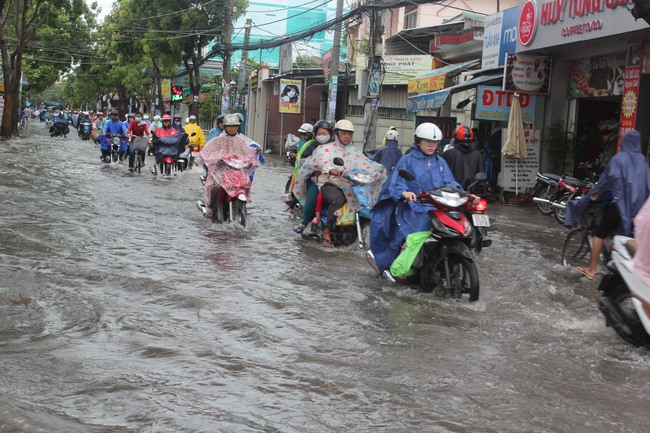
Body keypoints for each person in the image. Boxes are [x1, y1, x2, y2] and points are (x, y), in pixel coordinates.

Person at [368, 122, 467, 281]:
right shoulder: (407, 160)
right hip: (412, 206)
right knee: (411, 229)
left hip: (437, 206)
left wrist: (464, 194)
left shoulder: (440, 162)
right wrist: (404, 193)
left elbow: (451, 183)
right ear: (418, 141)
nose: (431, 145)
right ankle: (397, 265)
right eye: (428, 142)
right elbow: (396, 183)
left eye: (434, 142)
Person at [569, 130, 650, 280]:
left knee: (600, 234)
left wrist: (593, 195)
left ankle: (592, 269)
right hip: (640, 212)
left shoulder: (619, 159)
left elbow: (605, 181)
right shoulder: (643, 162)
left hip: (620, 206)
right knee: (632, 241)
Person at [294, 119, 385, 247]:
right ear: (336, 134)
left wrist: (378, 171)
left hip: (348, 184)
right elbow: (322, 161)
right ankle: (327, 231)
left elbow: (364, 164)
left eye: (349, 134)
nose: (347, 136)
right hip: (329, 183)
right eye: (344, 133)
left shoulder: (354, 151)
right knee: (339, 199)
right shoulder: (325, 149)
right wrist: (331, 169)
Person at [199, 113, 261, 218]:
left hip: (235, 171)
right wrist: (215, 160)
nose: (233, 129)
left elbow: (247, 153)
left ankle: (241, 208)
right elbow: (206, 153)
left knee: (246, 183)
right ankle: (211, 208)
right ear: (225, 127)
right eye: (230, 126)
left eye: (235, 126)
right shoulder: (217, 141)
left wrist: (252, 159)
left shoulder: (241, 141)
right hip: (220, 170)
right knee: (216, 187)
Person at [290, 120, 332, 233]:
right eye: (320, 134)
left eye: (325, 133)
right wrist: (314, 171)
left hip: (334, 179)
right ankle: (304, 222)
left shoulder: (336, 146)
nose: (322, 136)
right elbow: (303, 162)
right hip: (316, 179)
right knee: (313, 198)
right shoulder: (311, 146)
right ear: (315, 134)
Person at [441, 125, 485, 191]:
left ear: (455, 139)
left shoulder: (449, 154)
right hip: (471, 195)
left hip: (451, 194)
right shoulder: (478, 155)